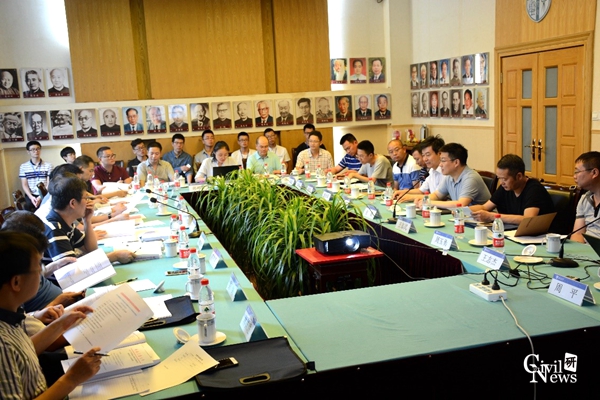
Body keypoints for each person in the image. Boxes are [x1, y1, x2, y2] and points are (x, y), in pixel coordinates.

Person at [0, 231, 102, 400]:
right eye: (38, 268)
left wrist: (61, 324)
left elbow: (23, 351)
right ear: (16, 282)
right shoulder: (2, 345)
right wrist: (71, 379)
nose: (42, 275)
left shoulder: (10, 315)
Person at [44, 174, 134, 266]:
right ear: (73, 203)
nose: (89, 202)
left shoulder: (65, 222)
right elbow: (71, 270)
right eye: (86, 198)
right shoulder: (55, 229)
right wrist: (114, 256)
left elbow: (90, 250)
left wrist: (87, 221)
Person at [471, 154, 554, 225]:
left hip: (542, 236)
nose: (501, 182)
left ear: (519, 176)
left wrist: (492, 216)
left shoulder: (534, 190)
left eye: (504, 179)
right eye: (499, 178)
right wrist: (465, 211)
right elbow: (485, 207)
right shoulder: (505, 187)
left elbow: (528, 219)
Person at [419, 143, 490, 209]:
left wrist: (430, 203)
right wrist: (423, 200)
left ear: (456, 162)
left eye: (443, 161)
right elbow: (437, 195)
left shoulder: (471, 178)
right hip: (461, 216)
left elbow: (461, 204)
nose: (440, 165)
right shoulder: (449, 177)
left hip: (481, 217)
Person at [394, 135, 445, 201]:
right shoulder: (432, 171)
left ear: (439, 154)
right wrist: (400, 192)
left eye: (428, 155)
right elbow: (421, 190)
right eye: (423, 155)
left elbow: (437, 197)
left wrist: (409, 197)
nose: (425, 159)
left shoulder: (446, 172)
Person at [571, 152, 600, 243]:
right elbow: (578, 234)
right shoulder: (585, 199)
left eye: (577, 172)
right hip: (585, 250)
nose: (574, 176)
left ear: (594, 173)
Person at [20, 141, 53, 211]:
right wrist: (31, 197)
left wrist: (40, 197)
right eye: (33, 149)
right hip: (31, 194)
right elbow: (24, 185)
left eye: (38, 149)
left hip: (45, 193)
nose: (36, 151)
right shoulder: (23, 166)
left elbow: (49, 183)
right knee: (27, 208)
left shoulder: (48, 165)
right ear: (28, 152)